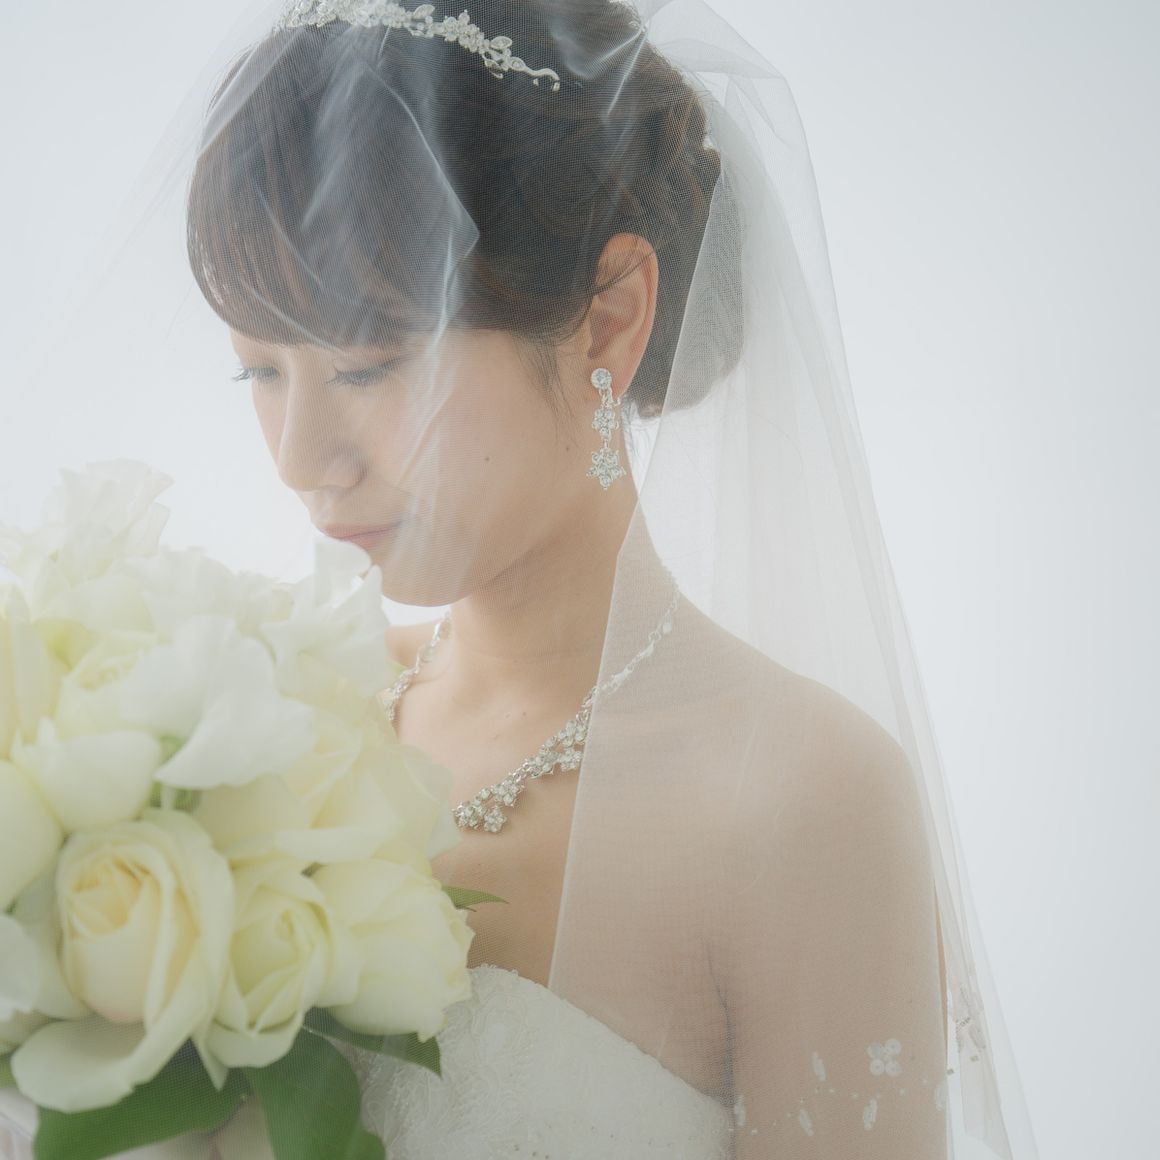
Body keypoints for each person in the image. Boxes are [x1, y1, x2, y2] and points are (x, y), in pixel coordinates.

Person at [1, 0, 1040, 1156]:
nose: (300, 458)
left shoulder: (802, 801)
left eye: (366, 366)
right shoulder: (263, 715)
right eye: (258, 371)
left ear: (609, 320)